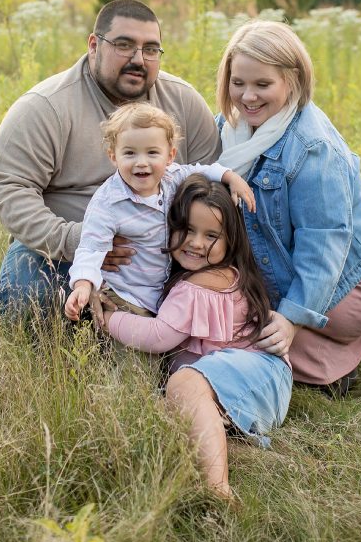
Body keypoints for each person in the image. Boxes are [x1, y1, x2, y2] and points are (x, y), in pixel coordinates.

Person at [0, 0, 220, 319]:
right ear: (94, 45)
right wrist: (75, 240)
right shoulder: (47, 107)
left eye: (151, 49)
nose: (139, 59)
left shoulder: (184, 102)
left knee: (220, 297)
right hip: (65, 250)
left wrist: (184, 243)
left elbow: (208, 187)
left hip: (162, 253)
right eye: (124, 45)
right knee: (30, 294)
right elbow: (8, 188)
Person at [214, 20, 361, 396]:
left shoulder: (312, 147)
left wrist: (291, 320)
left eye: (262, 84)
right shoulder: (231, 128)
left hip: (345, 291)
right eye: (238, 83)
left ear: (292, 79)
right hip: (319, 271)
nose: (247, 96)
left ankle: (332, 362)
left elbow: (323, 246)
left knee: (240, 335)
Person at [94, 175, 292, 500]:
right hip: (257, 385)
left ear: (231, 241)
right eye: (187, 229)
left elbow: (158, 336)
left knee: (182, 386)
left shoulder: (199, 286)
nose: (196, 243)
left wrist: (110, 319)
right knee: (173, 420)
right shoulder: (212, 274)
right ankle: (269, 462)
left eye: (211, 235)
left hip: (256, 376)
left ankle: (217, 491)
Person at [63, 103, 254, 320]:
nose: (141, 163)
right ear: (113, 156)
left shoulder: (172, 177)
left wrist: (230, 177)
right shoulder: (108, 202)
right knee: (136, 351)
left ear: (170, 155)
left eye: (152, 153)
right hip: (125, 295)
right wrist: (83, 284)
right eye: (130, 153)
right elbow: (90, 248)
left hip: (159, 294)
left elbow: (201, 169)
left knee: (165, 345)